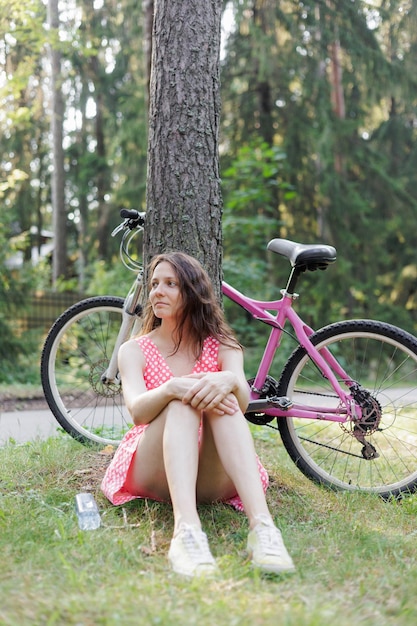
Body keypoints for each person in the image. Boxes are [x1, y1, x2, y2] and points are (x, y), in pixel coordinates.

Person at [101, 251, 295, 578]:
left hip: (209, 473)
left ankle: (263, 529)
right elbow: (136, 411)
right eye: (154, 284)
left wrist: (230, 380)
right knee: (182, 401)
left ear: (191, 291)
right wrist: (170, 389)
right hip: (153, 467)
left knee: (227, 401)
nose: (157, 292)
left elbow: (245, 405)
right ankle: (186, 533)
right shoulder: (133, 349)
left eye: (170, 284)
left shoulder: (222, 345)